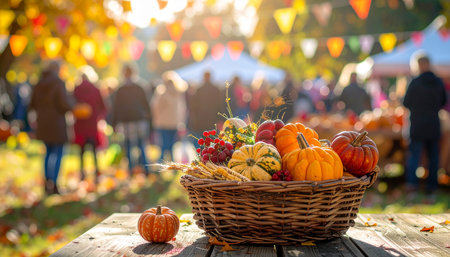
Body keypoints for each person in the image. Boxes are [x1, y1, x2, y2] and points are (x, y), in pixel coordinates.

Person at [403, 53, 447, 199]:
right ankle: (431, 187)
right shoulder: (438, 82)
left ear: (419, 65)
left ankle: (412, 186)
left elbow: (406, 103)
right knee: (433, 157)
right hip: (433, 124)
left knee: (415, 156)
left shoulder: (414, 82)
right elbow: (443, 102)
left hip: (417, 125)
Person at [29, 61, 72, 194]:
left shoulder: (39, 83)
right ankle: (54, 183)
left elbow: (32, 103)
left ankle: (47, 181)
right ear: (57, 69)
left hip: (43, 123)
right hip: (57, 123)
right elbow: (64, 104)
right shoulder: (59, 83)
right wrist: (72, 105)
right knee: (58, 152)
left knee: (47, 152)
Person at [111, 64, 151, 175]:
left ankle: (131, 170)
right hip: (139, 119)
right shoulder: (140, 87)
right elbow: (146, 105)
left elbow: (116, 107)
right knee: (141, 144)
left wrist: (114, 123)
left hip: (126, 121)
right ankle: (146, 170)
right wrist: (149, 121)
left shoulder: (121, 89)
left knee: (128, 145)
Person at [73, 69, 107, 183]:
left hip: (80, 125)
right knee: (94, 150)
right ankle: (97, 173)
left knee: (81, 151)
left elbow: (71, 105)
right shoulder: (95, 89)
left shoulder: (76, 89)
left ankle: (82, 174)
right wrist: (98, 115)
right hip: (92, 125)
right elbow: (103, 107)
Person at [151, 72, 187, 162]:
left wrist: (155, 119)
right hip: (175, 122)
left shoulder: (162, 93)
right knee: (171, 144)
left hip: (163, 122)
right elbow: (182, 109)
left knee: (164, 144)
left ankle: (161, 163)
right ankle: (172, 163)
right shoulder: (178, 93)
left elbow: (155, 107)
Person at [188, 71, 223, 141]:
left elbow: (193, 106)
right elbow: (220, 105)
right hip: (213, 118)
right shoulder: (216, 89)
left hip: (201, 119)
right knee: (212, 140)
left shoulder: (199, 89)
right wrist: (220, 118)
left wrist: (194, 118)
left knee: (203, 140)